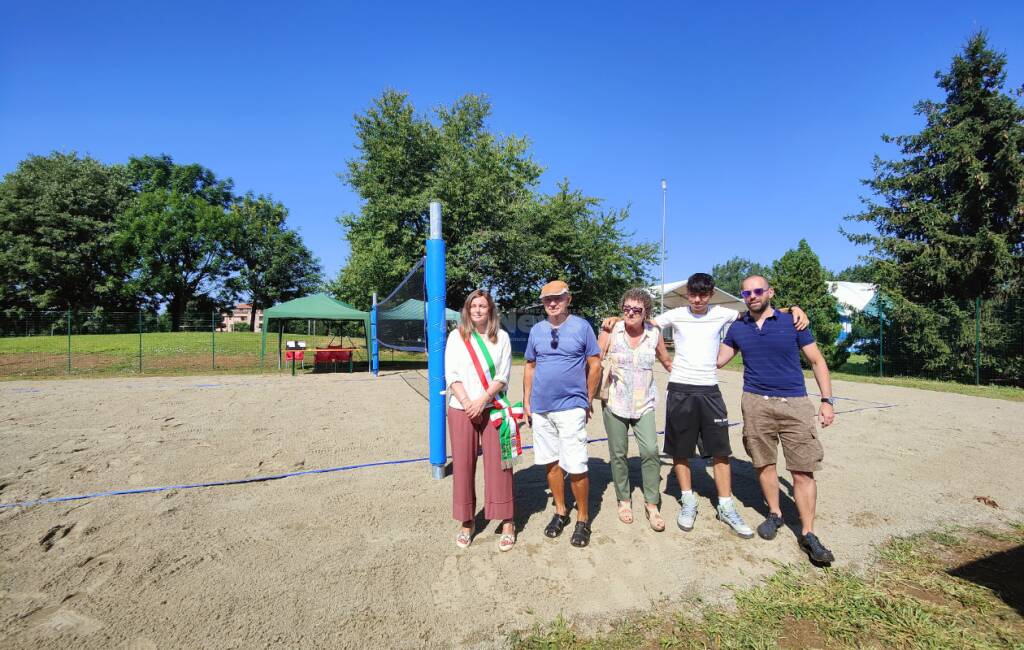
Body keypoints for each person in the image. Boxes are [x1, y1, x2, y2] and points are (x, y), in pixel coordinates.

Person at [606, 274, 807, 539]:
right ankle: (688, 501)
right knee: (680, 451)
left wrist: (792, 309)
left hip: (710, 389)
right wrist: (616, 320)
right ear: (687, 293)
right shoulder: (676, 314)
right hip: (680, 388)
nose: (698, 299)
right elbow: (642, 321)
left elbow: (756, 313)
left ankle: (725, 504)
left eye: (703, 294)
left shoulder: (723, 313)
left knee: (720, 452)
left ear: (711, 294)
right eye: (693, 294)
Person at [717, 275, 837, 564]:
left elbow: (817, 361)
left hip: (794, 403)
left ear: (769, 292)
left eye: (758, 291)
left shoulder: (791, 322)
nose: (752, 296)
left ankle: (808, 533)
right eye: (746, 293)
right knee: (764, 462)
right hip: (755, 403)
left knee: (802, 469)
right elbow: (718, 360)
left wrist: (826, 400)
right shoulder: (738, 328)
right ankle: (775, 513)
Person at [523, 280, 602, 548]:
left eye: (558, 298)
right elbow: (530, 366)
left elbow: (595, 364)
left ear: (568, 299)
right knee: (551, 463)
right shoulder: (537, 330)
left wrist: (587, 399)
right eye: (547, 300)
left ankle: (583, 518)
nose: (552, 303)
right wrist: (526, 401)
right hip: (542, 408)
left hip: (571, 407)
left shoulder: (582, 327)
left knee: (577, 465)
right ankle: (560, 511)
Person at [445, 290, 521, 552]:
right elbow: (451, 373)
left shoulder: (502, 338)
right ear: (467, 309)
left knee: (501, 464)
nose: (478, 310)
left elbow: (503, 374)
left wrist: (482, 400)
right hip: (460, 407)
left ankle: (508, 520)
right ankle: (467, 522)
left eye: (483, 306)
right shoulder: (456, 337)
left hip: (493, 407)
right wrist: (468, 402)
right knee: (463, 466)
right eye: (473, 305)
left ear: (490, 310)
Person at [597, 288, 673, 531]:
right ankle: (624, 499)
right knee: (618, 453)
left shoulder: (654, 333)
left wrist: (692, 377)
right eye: (626, 308)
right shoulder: (611, 330)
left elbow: (666, 360)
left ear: (646, 312)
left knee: (650, 450)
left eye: (636, 310)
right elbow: (595, 362)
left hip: (644, 403)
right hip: (615, 402)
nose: (630, 313)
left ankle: (652, 503)